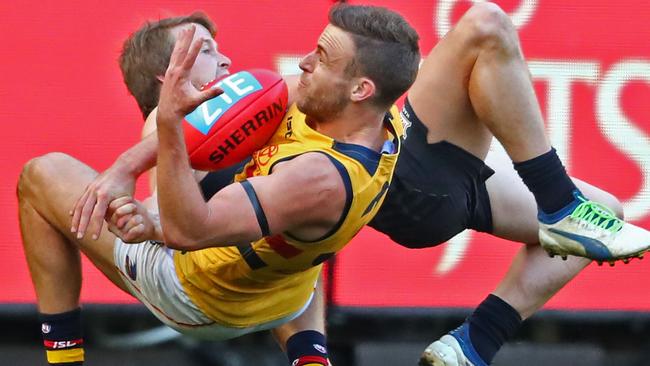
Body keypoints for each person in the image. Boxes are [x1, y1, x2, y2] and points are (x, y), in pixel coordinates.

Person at [65, 3, 650, 366]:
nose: (221, 60)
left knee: (607, 207)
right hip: (411, 177)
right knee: (487, 27)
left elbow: (274, 253)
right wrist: (151, 197)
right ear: (165, 79)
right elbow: (212, 218)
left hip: (411, 156)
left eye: (214, 45)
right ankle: (558, 207)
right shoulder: (184, 123)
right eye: (199, 51)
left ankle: (473, 343)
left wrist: (129, 172)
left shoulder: (244, 107)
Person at [17, 6, 420, 366]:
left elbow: (184, 231)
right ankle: (310, 355)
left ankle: (64, 356)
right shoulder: (379, 118)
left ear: (360, 89)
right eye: (205, 50)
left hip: (204, 300)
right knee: (289, 239)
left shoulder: (316, 177)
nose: (303, 64)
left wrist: (171, 125)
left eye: (323, 58)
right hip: (288, 293)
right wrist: (129, 166)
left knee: (40, 173)